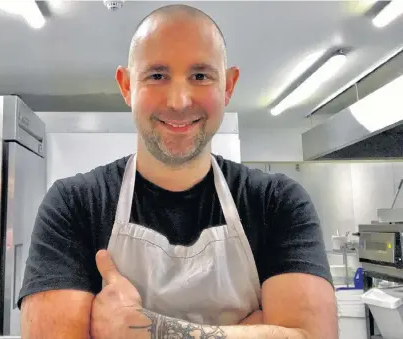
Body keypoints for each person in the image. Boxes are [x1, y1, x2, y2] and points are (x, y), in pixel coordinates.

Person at [19, 4, 337, 339]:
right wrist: (251, 331)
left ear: (228, 86)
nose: (179, 101)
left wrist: (143, 330)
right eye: (157, 75)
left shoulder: (277, 202)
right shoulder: (74, 204)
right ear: (126, 86)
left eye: (200, 76)